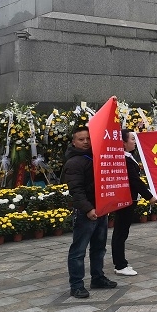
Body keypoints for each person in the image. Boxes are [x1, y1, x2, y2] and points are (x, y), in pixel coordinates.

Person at [65, 127, 118, 298]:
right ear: (73, 142)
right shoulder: (74, 162)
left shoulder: (96, 157)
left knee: (99, 247)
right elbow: (76, 191)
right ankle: (76, 285)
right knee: (78, 250)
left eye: (88, 138)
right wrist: (88, 209)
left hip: (101, 209)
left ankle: (97, 278)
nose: (86, 142)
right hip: (86, 212)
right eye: (81, 139)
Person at [111, 130, 157, 276]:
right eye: (132, 139)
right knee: (120, 232)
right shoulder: (123, 159)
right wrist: (149, 196)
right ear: (123, 143)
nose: (134, 141)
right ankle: (120, 265)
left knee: (122, 232)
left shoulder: (128, 157)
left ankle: (121, 262)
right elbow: (134, 181)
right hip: (125, 200)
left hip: (129, 199)